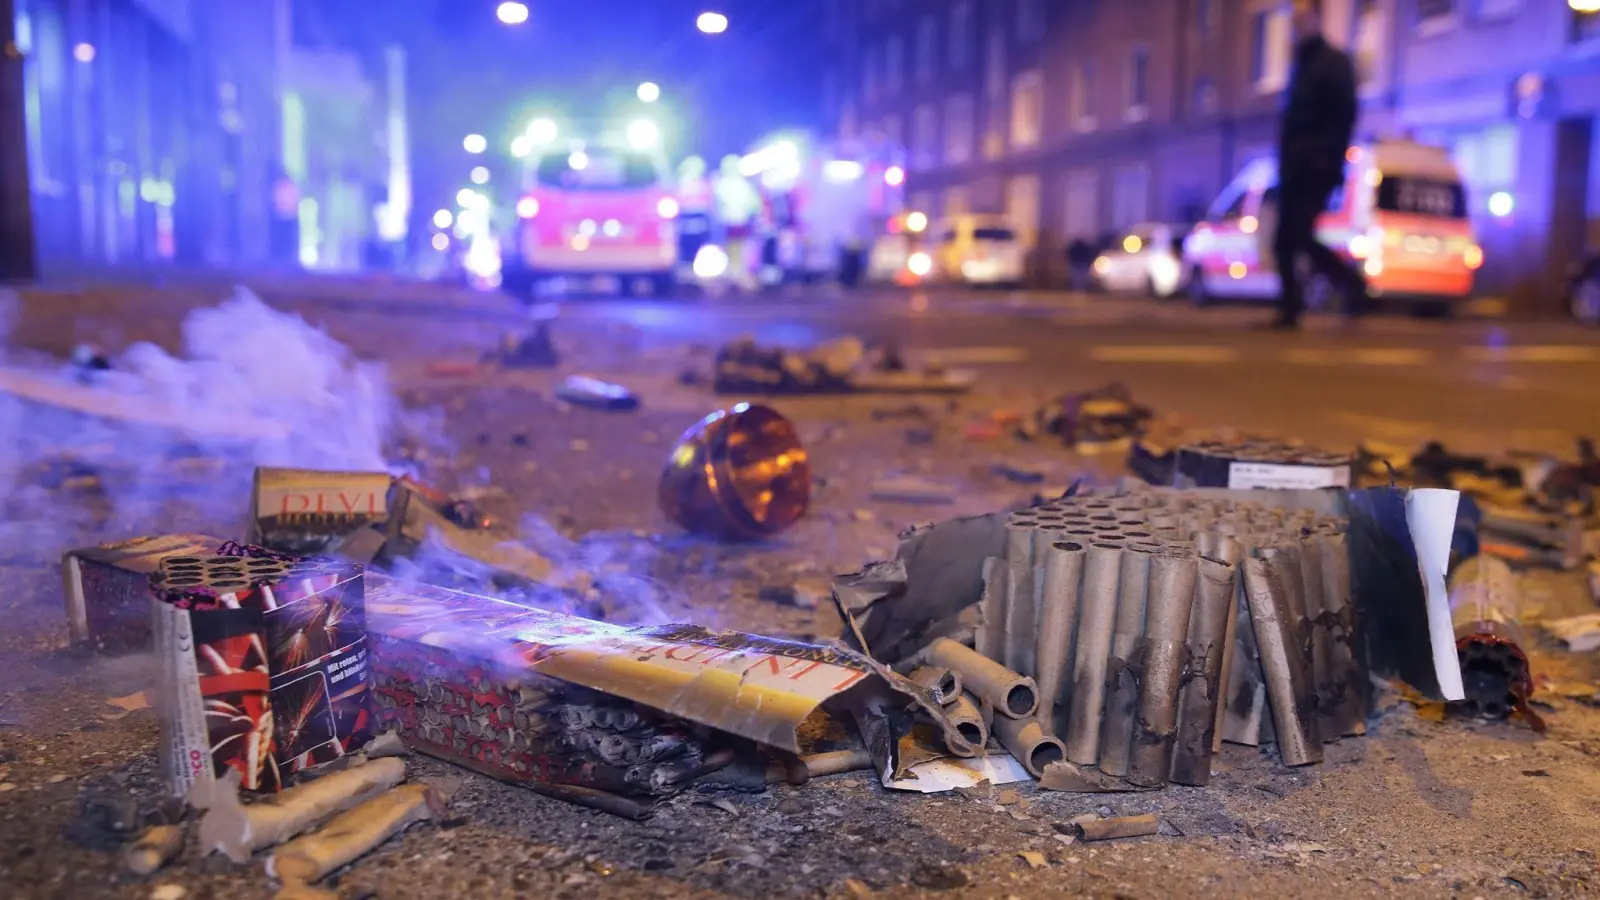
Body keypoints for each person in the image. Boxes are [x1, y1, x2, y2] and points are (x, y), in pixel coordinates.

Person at [1270, 0, 1367, 329]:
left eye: (1301, 16)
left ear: (1315, 17)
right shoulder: (1302, 64)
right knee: (1287, 237)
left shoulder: (1332, 64)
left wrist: (1326, 157)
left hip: (1316, 166)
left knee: (1296, 233)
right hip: (1295, 166)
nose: (1295, 24)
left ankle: (1349, 284)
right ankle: (1292, 307)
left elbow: (1343, 116)